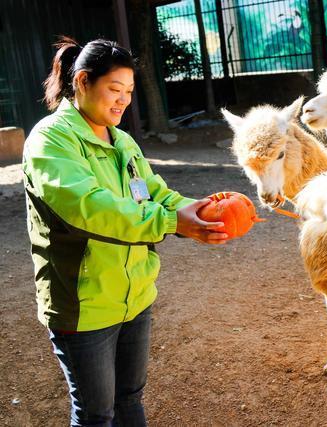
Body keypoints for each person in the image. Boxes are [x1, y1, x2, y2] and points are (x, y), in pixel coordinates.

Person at [22, 37, 227, 426]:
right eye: (114, 90)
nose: (123, 101)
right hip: (83, 304)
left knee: (129, 399)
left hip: (135, 296)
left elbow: (154, 192)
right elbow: (92, 208)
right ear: (82, 81)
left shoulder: (122, 141)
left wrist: (194, 211)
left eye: (129, 92)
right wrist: (170, 222)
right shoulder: (50, 141)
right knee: (96, 414)